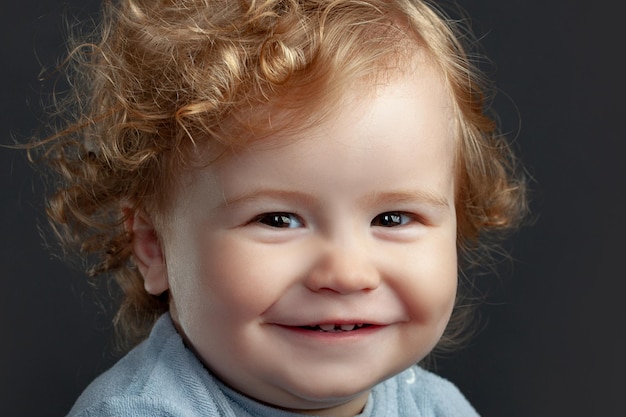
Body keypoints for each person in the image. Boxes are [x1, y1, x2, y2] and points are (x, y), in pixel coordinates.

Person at [31, 0, 527, 415]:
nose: (347, 273)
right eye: (278, 219)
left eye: (393, 218)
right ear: (154, 246)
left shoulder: (439, 408)